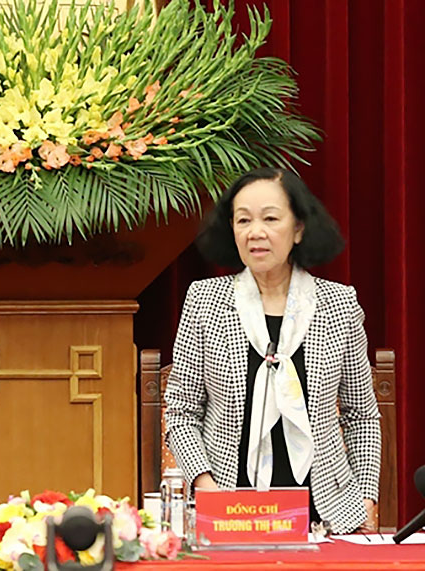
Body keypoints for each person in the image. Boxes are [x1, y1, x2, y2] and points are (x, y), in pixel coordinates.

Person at [163, 167, 380, 533]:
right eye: (243, 220)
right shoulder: (204, 301)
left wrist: (365, 499)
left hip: (326, 516)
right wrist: (205, 484)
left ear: (299, 228)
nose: (255, 232)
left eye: (270, 218)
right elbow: (182, 411)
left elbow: (361, 417)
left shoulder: (339, 305)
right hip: (229, 512)